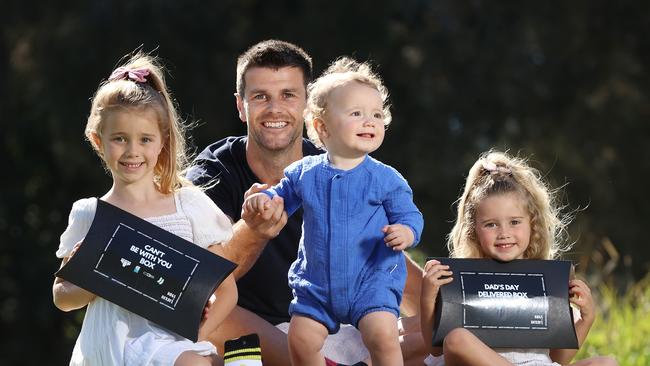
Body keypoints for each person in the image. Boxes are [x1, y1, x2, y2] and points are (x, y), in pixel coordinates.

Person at [187, 40, 427, 365]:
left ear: (308, 105)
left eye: (288, 95)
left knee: (434, 331)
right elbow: (199, 284)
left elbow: (386, 254)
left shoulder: (340, 163)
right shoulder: (214, 173)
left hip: (342, 320)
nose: (275, 109)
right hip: (264, 334)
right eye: (260, 97)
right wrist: (254, 229)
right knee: (208, 307)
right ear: (241, 106)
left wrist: (445, 311)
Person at [52, 53, 238, 366]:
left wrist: (197, 332)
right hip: (107, 348)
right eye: (120, 139)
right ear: (98, 140)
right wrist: (90, 274)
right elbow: (62, 297)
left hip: (171, 345)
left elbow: (228, 291)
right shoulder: (90, 213)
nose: (132, 151)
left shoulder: (188, 207)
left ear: (162, 141)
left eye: (145, 139)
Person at [419, 150, 618, 366]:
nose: (504, 233)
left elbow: (557, 359)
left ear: (532, 224)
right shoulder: (459, 279)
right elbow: (436, 349)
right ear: (473, 230)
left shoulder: (547, 280)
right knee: (456, 339)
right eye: (491, 224)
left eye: (514, 222)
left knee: (606, 363)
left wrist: (586, 318)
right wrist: (428, 297)